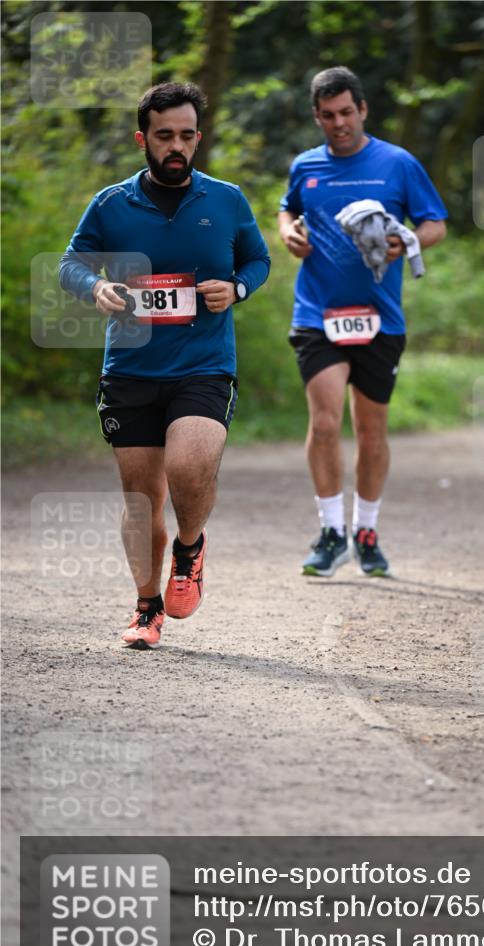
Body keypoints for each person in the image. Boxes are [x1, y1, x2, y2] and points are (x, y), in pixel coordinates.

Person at [60, 82, 270, 649]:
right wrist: (95, 287)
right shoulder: (110, 204)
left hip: (204, 363)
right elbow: (70, 263)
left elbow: (258, 258)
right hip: (130, 369)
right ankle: (146, 606)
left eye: (185, 136)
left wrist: (239, 287)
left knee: (189, 465)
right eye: (164, 136)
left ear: (198, 138)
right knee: (139, 497)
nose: (175, 147)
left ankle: (190, 546)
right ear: (143, 139)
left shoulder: (226, 199)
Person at [278, 66, 447, 577]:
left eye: (346, 113)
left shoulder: (397, 164)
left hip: (379, 318)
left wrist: (406, 242)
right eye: (328, 116)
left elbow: (435, 223)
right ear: (317, 116)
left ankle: (366, 531)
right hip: (317, 313)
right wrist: (288, 234)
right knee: (325, 422)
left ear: (363, 109)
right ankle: (331, 532)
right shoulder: (305, 166)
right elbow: (287, 210)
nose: (339, 123)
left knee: (371, 431)